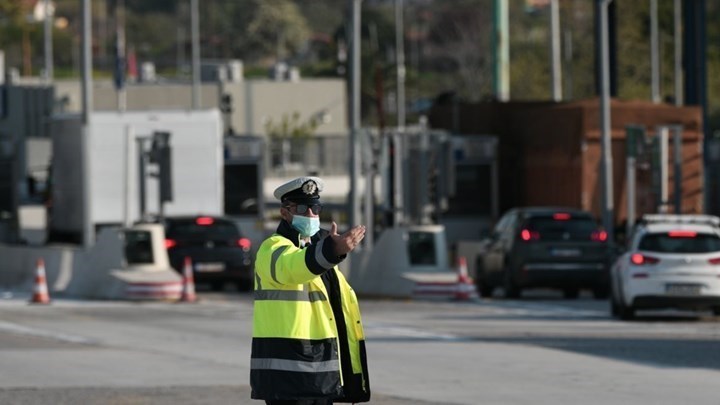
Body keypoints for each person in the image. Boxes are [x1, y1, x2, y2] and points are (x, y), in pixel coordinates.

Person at [250, 176, 371, 405]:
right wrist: (331, 251)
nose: (310, 215)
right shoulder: (272, 249)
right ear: (285, 212)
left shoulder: (322, 254)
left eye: (315, 208)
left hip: (318, 376)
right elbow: (295, 267)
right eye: (303, 208)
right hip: (288, 379)